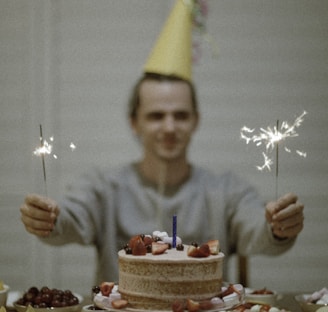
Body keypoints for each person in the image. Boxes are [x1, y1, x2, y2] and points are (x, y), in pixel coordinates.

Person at [20, 0, 304, 285]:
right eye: (156, 116)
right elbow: (70, 219)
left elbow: (258, 231)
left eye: (180, 115)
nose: (169, 127)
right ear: (135, 122)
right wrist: (50, 220)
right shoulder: (104, 188)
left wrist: (277, 227)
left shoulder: (226, 191)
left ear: (196, 120)